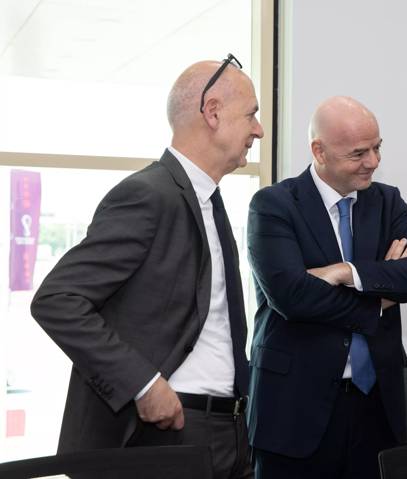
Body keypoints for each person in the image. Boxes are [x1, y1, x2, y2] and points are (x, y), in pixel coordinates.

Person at [30, 54, 263, 478]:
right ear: (212, 112)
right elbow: (57, 300)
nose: (258, 130)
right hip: (165, 436)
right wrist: (143, 383)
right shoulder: (147, 195)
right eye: (251, 115)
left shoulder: (210, 201)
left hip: (229, 433)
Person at [246, 96, 407, 478]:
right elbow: (293, 297)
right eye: (358, 153)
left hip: (376, 408)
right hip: (295, 410)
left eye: (377, 148)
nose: (372, 162)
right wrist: (381, 293)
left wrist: (344, 272)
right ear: (318, 151)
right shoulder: (274, 205)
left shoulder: (386, 201)